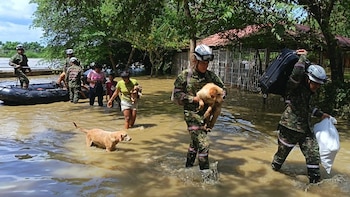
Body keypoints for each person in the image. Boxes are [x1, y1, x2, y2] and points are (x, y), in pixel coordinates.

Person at [271, 49, 330, 184]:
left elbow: (309, 108)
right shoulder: (294, 86)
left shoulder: (311, 93)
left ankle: (316, 184)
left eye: (319, 84)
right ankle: (272, 177)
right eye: (314, 83)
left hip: (306, 130)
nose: (316, 86)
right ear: (307, 78)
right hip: (289, 128)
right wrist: (303, 58)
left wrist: (321, 114)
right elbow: (297, 73)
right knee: (279, 159)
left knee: (313, 156)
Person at [172, 44, 226, 171]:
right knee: (204, 145)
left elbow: (223, 90)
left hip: (207, 114)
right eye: (203, 62)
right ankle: (206, 178)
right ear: (195, 60)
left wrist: (221, 96)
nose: (205, 65)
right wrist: (194, 99)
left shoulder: (211, 76)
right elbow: (177, 94)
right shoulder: (185, 76)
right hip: (191, 114)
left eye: (207, 63)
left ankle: (188, 168)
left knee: (195, 143)